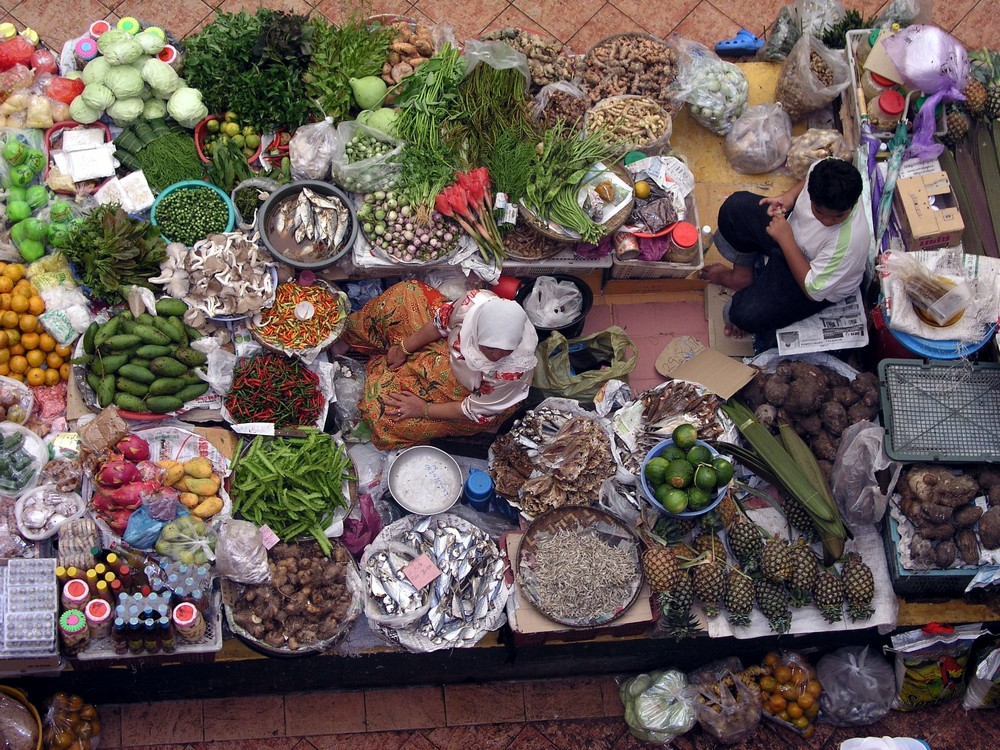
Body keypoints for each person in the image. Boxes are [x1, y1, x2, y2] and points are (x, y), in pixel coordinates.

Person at [342, 280, 538, 450]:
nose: (496, 356)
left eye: (505, 351)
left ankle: (384, 360)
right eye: (488, 348)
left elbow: (470, 409)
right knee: (403, 295)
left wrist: (423, 409)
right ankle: (354, 339)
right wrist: (404, 348)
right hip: (450, 352)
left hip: (464, 394)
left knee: (384, 415)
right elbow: (440, 325)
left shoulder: (512, 373)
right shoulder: (475, 305)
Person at [700, 158, 869, 347]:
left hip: (807, 276)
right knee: (734, 208)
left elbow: (812, 290)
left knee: (738, 314)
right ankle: (742, 277)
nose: (828, 221)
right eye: (819, 212)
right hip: (788, 236)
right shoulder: (824, 173)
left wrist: (785, 239)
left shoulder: (850, 244)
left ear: (853, 202)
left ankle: (754, 293)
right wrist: (789, 196)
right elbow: (807, 180)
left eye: (839, 216)